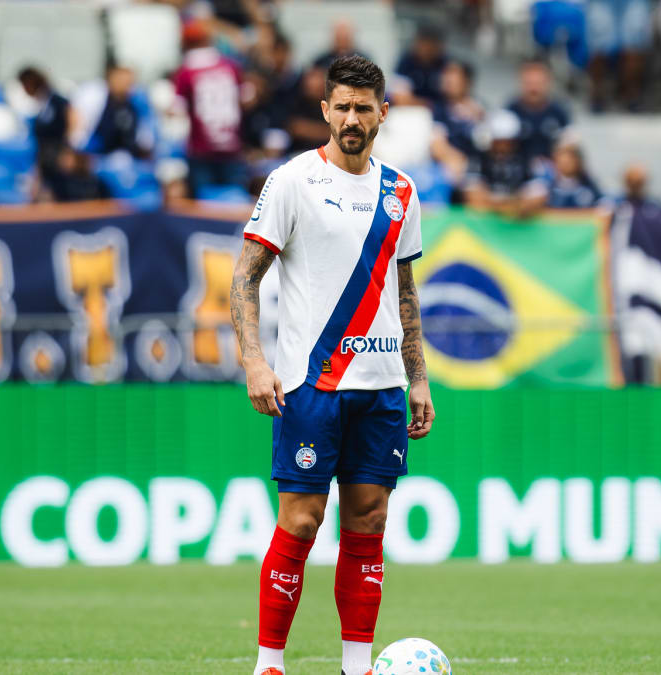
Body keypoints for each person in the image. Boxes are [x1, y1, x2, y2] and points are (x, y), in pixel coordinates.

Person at [229, 55, 435, 675]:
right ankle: (269, 663)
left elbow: (403, 292)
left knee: (369, 519)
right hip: (311, 384)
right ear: (324, 110)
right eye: (341, 107)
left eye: (363, 108)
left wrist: (418, 375)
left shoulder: (401, 190)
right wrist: (254, 362)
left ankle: (356, 665)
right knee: (302, 518)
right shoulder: (292, 181)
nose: (351, 118)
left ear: (382, 114)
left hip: (381, 388)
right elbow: (244, 278)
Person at [173, 19, 248, 196]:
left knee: (205, 211)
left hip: (201, 150)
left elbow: (176, 110)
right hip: (232, 146)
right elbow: (246, 99)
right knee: (235, 205)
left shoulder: (185, 72)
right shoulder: (231, 66)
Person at [463, 109, 547, 218]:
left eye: (508, 142)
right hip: (485, 226)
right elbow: (473, 196)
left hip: (518, 225)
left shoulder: (526, 158)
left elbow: (538, 196)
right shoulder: (478, 157)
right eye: (498, 141)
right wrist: (512, 204)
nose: (503, 147)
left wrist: (498, 203)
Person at [18, 66, 76, 194]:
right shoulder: (40, 105)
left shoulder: (57, 101)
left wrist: (68, 151)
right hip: (45, 159)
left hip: (59, 157)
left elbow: (72, 122)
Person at [506, 60, 570, 166]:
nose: (533, 89)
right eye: (529, 83)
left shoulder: (559, 113)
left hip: (553, 171)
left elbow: (568, 147)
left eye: (538, 83)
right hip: (516, 171)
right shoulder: (510, 112)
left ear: (548, 83)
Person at [545, 141, 602, 209]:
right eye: (563, 162)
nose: (566, 165)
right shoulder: (548, 184)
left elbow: (601, 200)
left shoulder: (587, 183)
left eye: (569, 161)